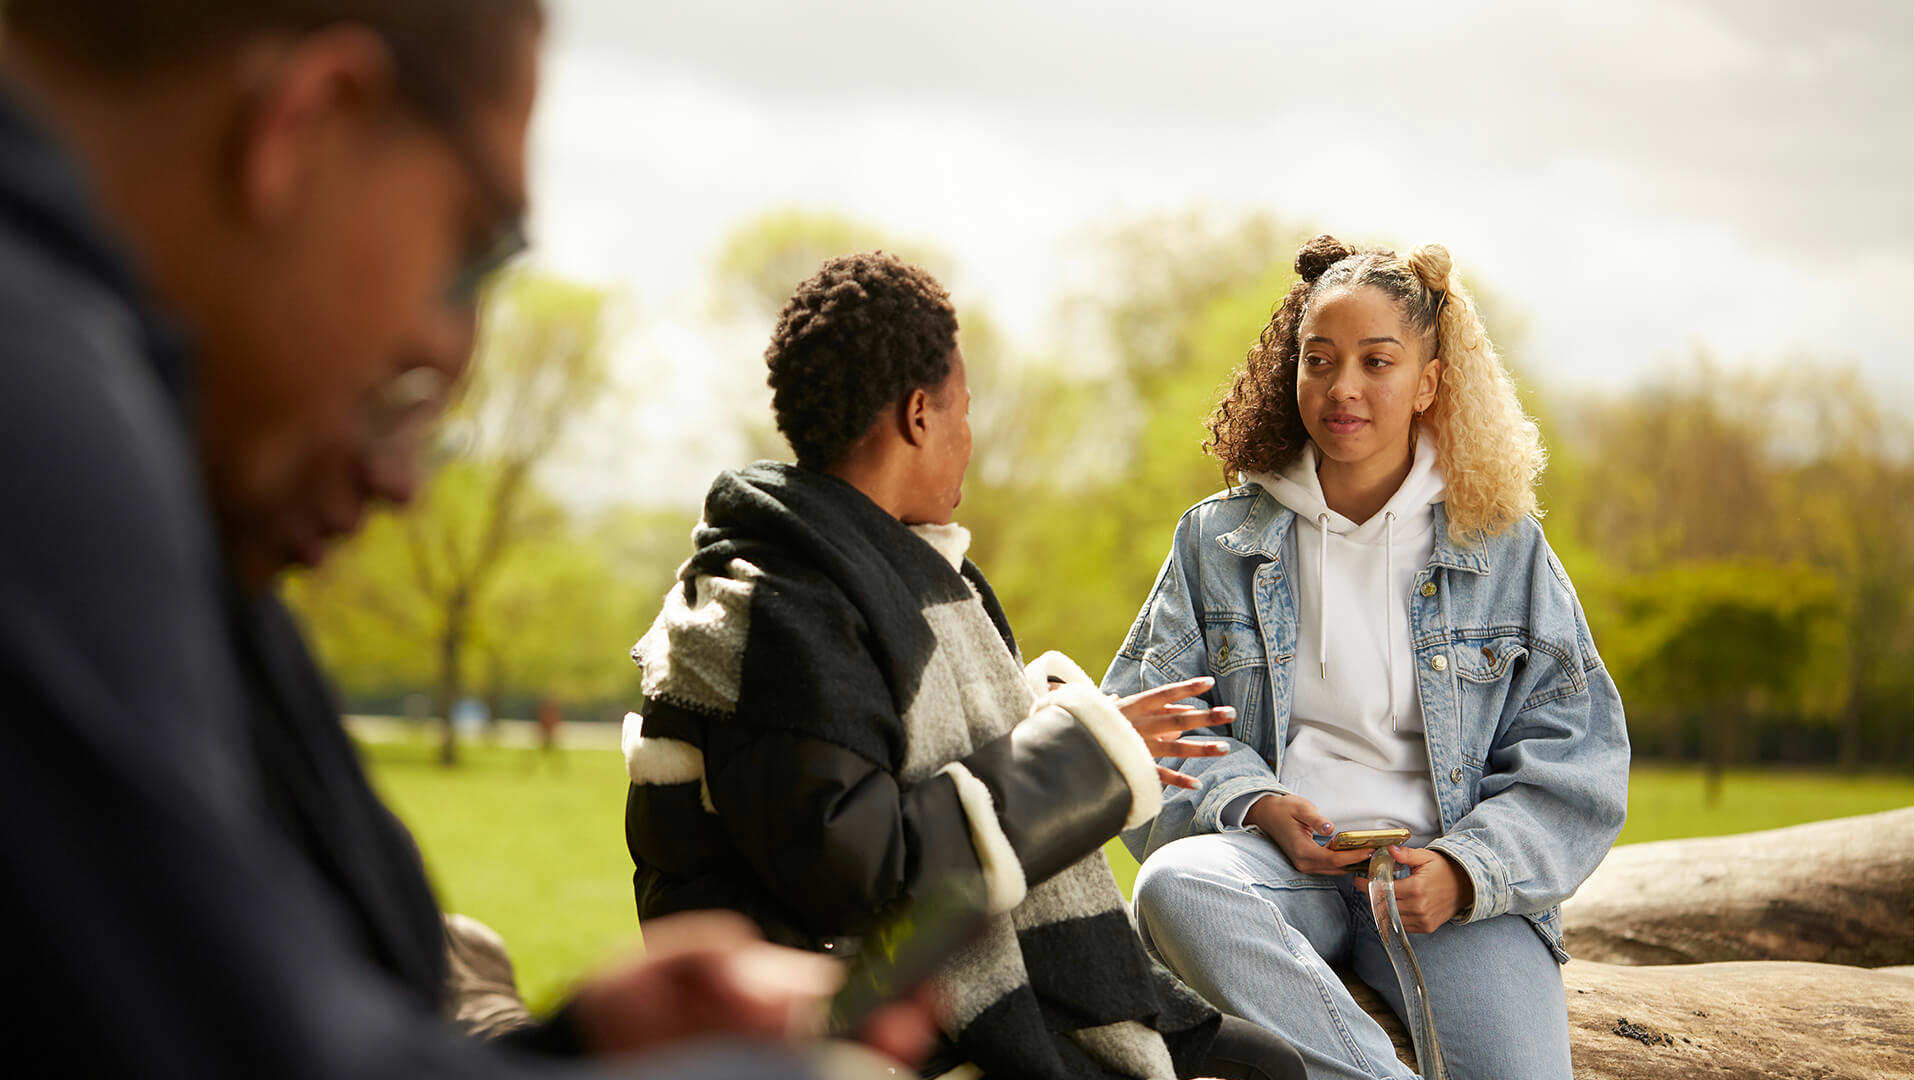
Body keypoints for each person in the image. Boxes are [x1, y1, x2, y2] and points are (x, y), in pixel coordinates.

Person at [0, 2, 927, 1075]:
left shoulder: (146, 462)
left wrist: (571, 1053)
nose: (403, 474)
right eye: (472, 256)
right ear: (313, 120)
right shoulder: (41, 422)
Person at [622, 252, 1308, 1080]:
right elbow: (857, 868)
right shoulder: (778, 608)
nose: (968, 440)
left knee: (1262, 1064)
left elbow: (898, 751)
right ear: (920, 415)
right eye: (964, 411)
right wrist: (1086, 757)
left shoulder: (888, 575)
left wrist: (1039, 714)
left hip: (942, 973)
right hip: (858, 1013)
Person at [1102, 236, 1629, 1079]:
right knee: (1174, 884)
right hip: (1274, 872)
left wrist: (1466, 869)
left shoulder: (1504, 548)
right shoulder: (1217, 539)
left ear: (1428, 382)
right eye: (1320, 359)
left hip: (1442, 892)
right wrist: (1257, 803)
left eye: (1376, 361)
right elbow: (1151, 730)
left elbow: (1580, 759)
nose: (1343, 386)